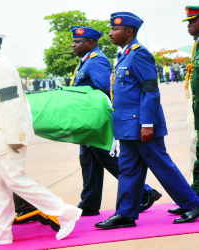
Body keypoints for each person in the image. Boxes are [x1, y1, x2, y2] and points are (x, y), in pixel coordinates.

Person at [0, 31, 81, 246]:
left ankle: (65, 213)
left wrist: (15, 135)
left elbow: (12, 102)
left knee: (15, 181)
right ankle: (0, 231)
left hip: (5, 135)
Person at [95, 12, 199, 230]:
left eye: (115, 29)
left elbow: (150, 91)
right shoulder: (124, 55)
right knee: (128, 170)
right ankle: (125, 213)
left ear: (129, 32)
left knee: (162, 166)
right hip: (127, 126)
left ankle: (193, 204)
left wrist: (147, 124)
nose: (110, 33)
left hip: (142, 125)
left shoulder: (139, 54)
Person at [70, 26, 160, 216]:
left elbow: (102, 90)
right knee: (89, 160)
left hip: (95, 121)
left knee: (106, 158)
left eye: (77, 42)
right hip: (86, 121)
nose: (73, 45)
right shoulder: (85, 61)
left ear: (90, 43)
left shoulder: (97, 61)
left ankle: (146, 192)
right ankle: (89, 203)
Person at [179, 6, 199, 216]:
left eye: (192, 21)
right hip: (197, 108)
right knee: (196, 150)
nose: (189, 26)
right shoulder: (197, 46)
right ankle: (195, 198)